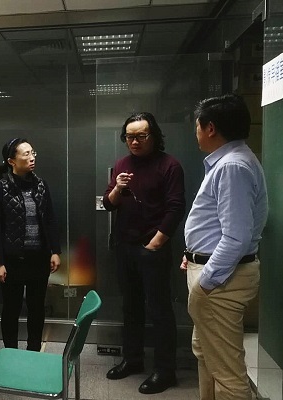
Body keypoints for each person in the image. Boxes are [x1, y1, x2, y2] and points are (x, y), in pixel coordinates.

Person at [181, 94, 268, 400]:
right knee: (207, 353)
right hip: (216, 273)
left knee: (228, 373)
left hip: (221, 280)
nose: (196, 132)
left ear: (210, 128)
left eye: (197, 125)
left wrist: (206, 280)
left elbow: (236, 237)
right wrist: (194, 254)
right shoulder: (232, 161)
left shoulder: (232, 166)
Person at [103, 112, 186, 394]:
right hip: (125, 247)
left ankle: (165, 370)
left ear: (154, 136)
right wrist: (118, 188)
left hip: (153, 249)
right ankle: (133, 359)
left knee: (160, 310)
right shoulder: (122, 164)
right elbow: (109, 203)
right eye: (129, 136)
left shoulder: (169, 165)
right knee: (131, 306)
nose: (134, 141)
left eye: (141, 136)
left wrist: (156, 243)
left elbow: (176, 208)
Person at [0, 137, 61, 351]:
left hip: (39, 258)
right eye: (26, 154)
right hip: (13, 261)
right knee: (11, 309)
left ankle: (33, 352)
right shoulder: (0, 188)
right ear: (11, 161)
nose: (32, 158)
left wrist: (55, 251)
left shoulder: (41, 185)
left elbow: (50, 219)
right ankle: (10, 352)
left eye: (33, 153)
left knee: (36, 308)